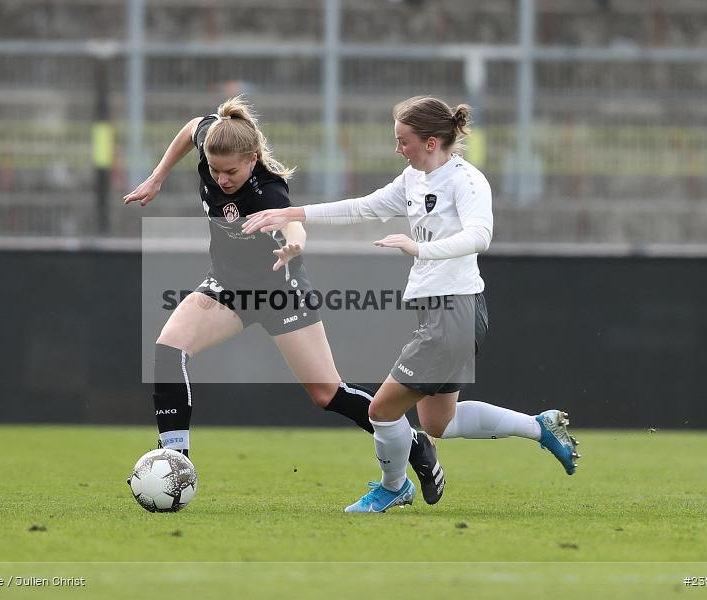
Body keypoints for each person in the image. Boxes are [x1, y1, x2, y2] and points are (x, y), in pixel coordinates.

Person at [242, 96, 581, 513]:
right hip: (438, 310)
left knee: (382, 411)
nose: (398, 148)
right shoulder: (412, 179)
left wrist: (420, 249)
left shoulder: (467, 181)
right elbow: (364, 207)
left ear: (433, 142)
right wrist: (294, 213)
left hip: (455, 310)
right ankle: (539, 427)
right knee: (441, 423)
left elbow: (481, 236)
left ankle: (394, 487)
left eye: (404, 141)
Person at [124, 96, 446, 504]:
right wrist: (157, 177)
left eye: (232, 171)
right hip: (228, 288)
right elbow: (192, 127)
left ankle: (415, 444)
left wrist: (293, 246)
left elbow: (294, 227)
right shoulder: (213, 138)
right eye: (214, 170)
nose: (221, 179)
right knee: (168, 350)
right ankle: (176, 463)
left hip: (280, 293)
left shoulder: (269, 191)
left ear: (253, 158)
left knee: (327, 393)